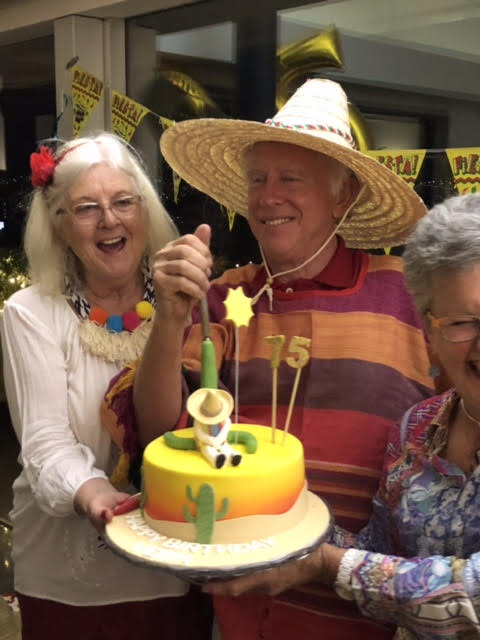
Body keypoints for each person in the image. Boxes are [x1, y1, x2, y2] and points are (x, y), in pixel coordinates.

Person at [103, 79, 436, 639]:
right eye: (257, 179)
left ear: (343, 194)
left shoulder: (409, 298)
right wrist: (168, 316)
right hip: (244, 615)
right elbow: (161, 431)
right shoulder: (223, 300)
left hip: (371, 615)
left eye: (290, 178)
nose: (267, 195)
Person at [203, 193, 480, 639]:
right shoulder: (417, 430)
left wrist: (325, 565)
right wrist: (264, 509)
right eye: (462, 322)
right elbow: (377, 549)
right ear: (428, 328)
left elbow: (472, 593)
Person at [0, 133, 212, 640]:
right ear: (59, 226)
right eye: (87, 208)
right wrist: (96, 494)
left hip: (177, 561)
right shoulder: (30, 313)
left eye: (123, 202)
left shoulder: (182, 299)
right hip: (70, 578)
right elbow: (45, 442)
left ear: (145, 212)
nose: (110, 220)